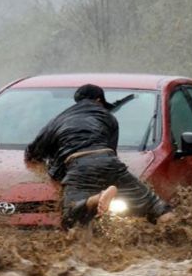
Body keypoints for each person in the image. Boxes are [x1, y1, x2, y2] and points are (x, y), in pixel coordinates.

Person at [25, 84, 173, 228]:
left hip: (79, 165)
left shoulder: (58, 120)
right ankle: (178, 236)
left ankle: (96, 198)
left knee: (69, 217)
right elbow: (111, 151)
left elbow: (33, 152)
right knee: (155, 205)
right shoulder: (108, 117)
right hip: (108, 161)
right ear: (98, 100)